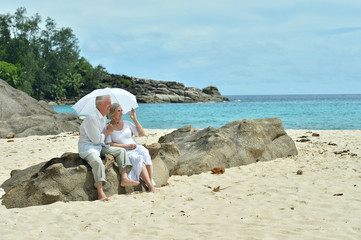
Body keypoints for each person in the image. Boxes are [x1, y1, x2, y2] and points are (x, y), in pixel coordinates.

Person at [78, 95, 139, 201]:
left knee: (121, 151)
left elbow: (100, 140)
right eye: (108, 103)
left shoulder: (104, 118)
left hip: (99, 146)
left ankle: (124, 178)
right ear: (100, 104)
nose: (110, 106)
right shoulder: (92, 118)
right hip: (88, 148)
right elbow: (96, 140)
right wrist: (108, 132)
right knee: (97, 163)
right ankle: (100, 192)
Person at [105, 103, 156, 193]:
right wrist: (126, 146)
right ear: (112, 113)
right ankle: (150, 186)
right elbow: (109, 143)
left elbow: (141, 134)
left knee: (145, 152)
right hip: (124, 150)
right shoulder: (108, 126)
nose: (122, 113)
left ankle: (150, 182)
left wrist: (135, 120)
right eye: (119, 111)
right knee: (137, 158)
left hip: (135, 146)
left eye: (121, 111)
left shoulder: (127, 123)